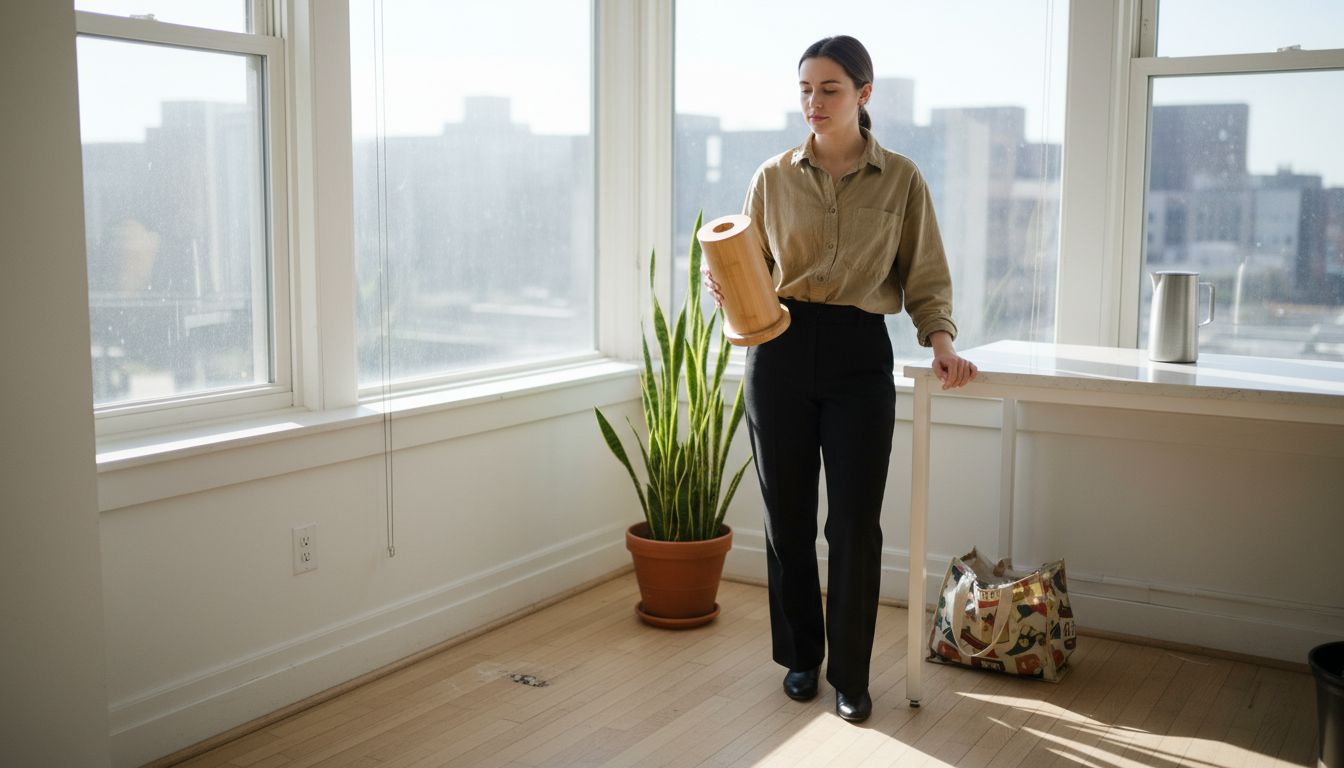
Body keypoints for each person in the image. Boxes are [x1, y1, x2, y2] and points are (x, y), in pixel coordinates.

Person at [703, 35, 977, 723]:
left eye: (828, 88)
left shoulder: (904, 180)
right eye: (804, 89)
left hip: (860, 353)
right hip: (779, 350)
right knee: (786, 518)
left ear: (864, 93)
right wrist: (727, 286)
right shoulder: (771, 177)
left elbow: (926, 277)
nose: (813, 102)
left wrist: (941, 344)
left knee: (854, 523)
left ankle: (851, 676)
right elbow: (751, 268)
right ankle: (801, 657)